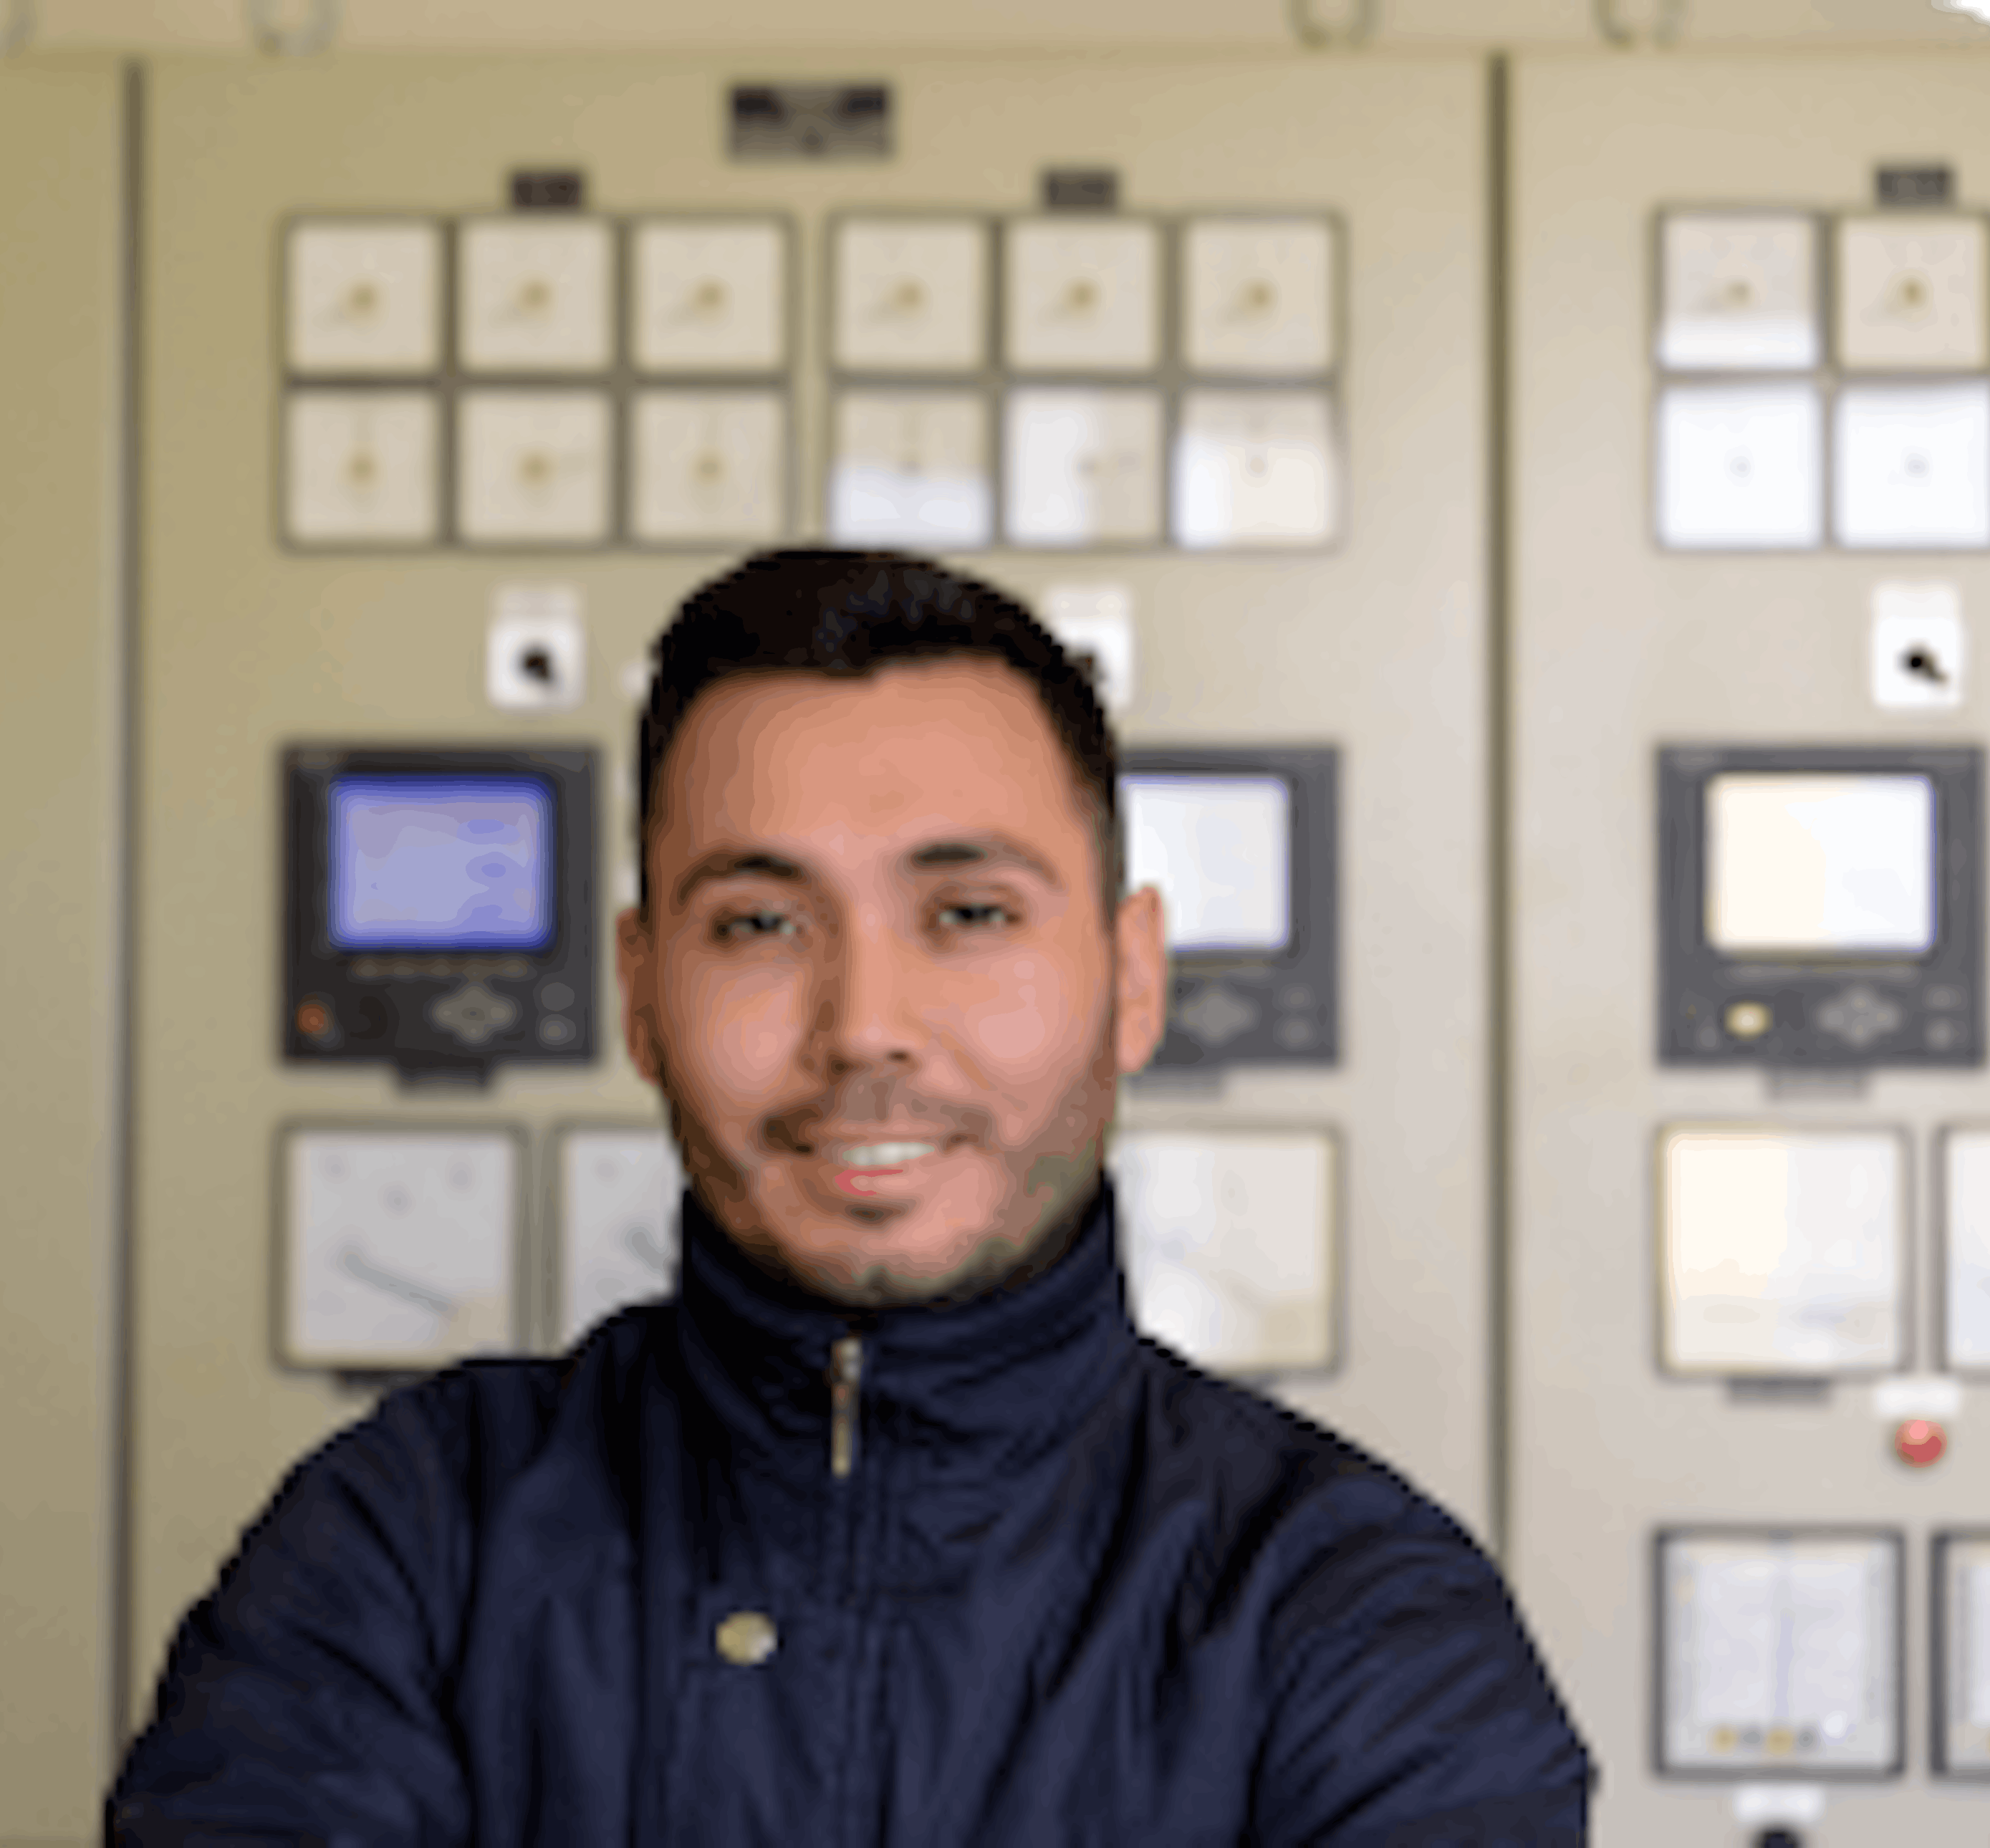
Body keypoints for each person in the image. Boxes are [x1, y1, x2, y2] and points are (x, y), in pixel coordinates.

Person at [107, 550, 1594, 1844]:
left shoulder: (1353, 1619)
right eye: (759, 922)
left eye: (968, 914)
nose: (864, 1023)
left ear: (1132, 979)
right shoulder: (406, 1549)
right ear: (640, 992)